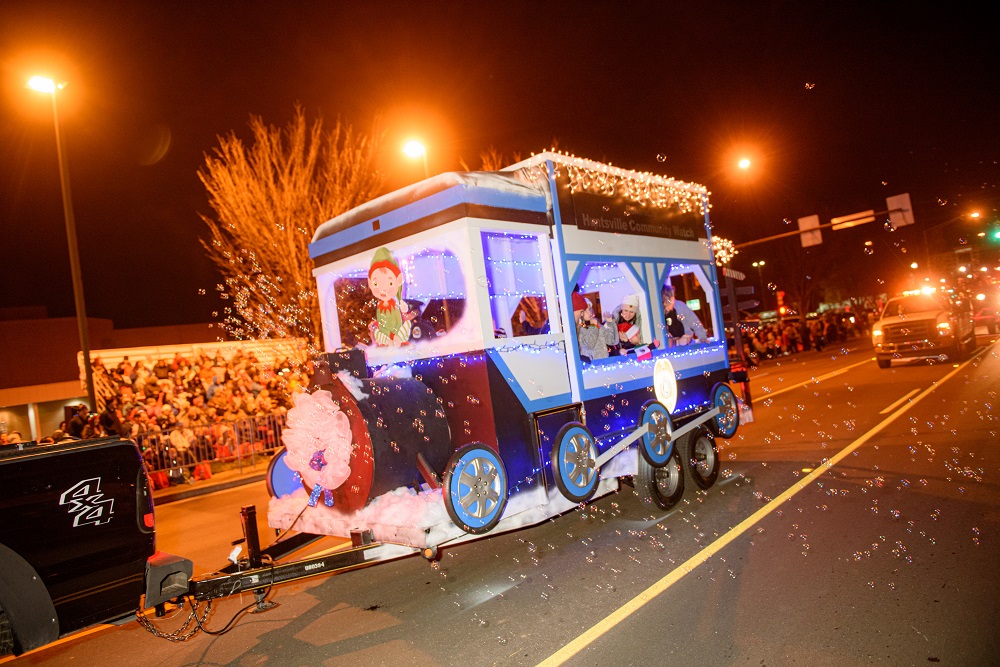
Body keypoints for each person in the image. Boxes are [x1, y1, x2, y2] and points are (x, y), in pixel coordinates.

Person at [367, 247, 411, 347]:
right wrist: (390, 335)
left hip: (396, 335)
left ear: (398, 280)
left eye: (390, 283)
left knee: (407, 325)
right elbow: (382, 326)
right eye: (376, 283)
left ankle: (396, 340)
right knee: (377, 333)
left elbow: (398, 322)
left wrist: (395, 335)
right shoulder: (380, 307)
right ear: (370, 283)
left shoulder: (395, 305)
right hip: (387, 336)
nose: (383, 289)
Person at [573, 292, 616, 361]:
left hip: (604, 363)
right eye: (585, 310)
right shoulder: (579, 328)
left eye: (590, 309)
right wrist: (593, 326)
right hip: (590, 366)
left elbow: (612, 341)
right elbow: (589, 344)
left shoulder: (596, 324)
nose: (589, 312)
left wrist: (610, 323)